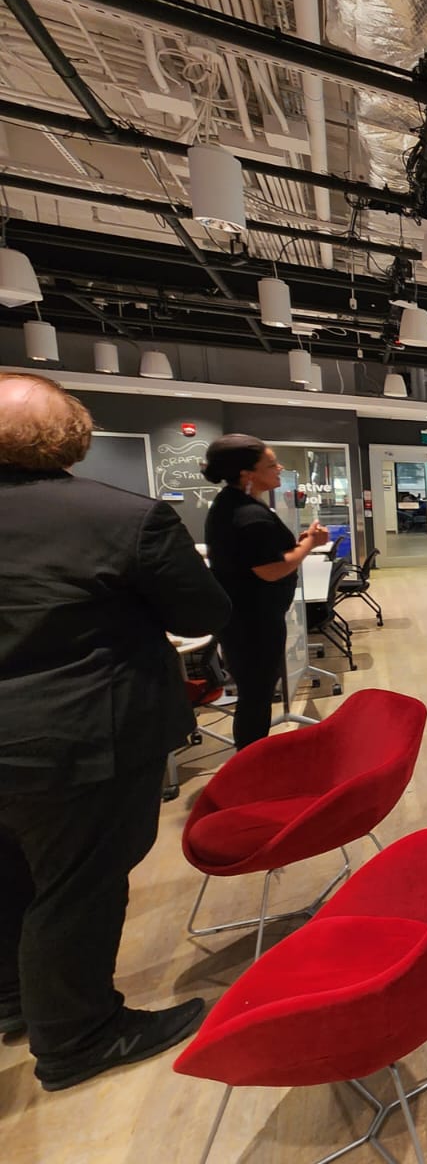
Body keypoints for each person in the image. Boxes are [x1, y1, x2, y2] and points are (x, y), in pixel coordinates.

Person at [0, 373, 230, 1092]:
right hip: (79, 735)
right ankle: (80, 1036)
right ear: (73, 438)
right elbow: (200, 613)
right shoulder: (121, 517)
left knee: (10, 874)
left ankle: (16, 1001)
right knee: (77, 886)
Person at [203, 434, 329, 748]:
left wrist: (298, 545)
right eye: (271, 464)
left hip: (245, 619)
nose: (279, 468)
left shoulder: (234, 505)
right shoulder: (248, 515)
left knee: (255, 694)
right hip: (253, 623)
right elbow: (271, 570)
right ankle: (251, 767)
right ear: (247, 474)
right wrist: (309, 546)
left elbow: (262, 555)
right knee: (256, 696)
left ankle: (252, 762)